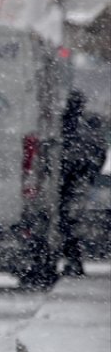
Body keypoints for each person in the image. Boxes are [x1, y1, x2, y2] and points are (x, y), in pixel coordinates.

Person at [58, 90, 106, 277]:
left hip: (67, 182)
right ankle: (74, 260)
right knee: (71, 223)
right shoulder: (86, 127)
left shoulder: (65, 126)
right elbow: (98, 153)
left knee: (66, 223)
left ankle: (73, 260)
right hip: (76, 182)